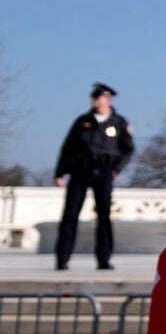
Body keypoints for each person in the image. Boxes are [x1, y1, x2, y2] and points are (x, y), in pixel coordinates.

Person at [54, 83, 134, 271]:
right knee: (70, 214)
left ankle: (104, 258)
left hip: (104, 170)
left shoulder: (119, 122)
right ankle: (62, 258)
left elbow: (127, 150)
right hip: (81, 170)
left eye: (99, 97)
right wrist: (59, 172)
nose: (95, 100)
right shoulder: (83, 121)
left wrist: (116, 169)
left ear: (108, 99)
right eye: (94, 97)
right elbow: (68, 147)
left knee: (104, 215)